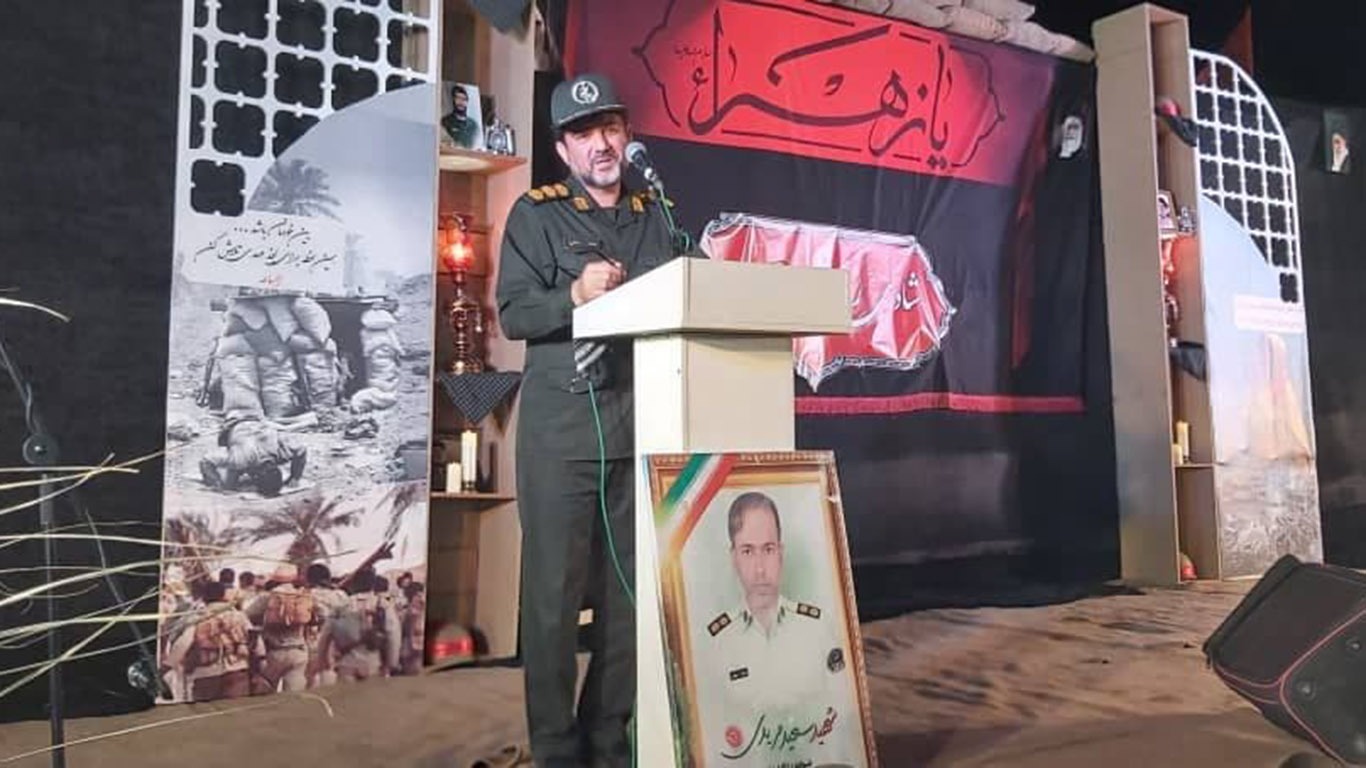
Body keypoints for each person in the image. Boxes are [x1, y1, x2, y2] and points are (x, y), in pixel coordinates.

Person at [495, 72, 691, 768]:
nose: (601, 144)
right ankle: (555, 749)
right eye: (583, 134)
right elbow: (514, 313)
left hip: (644, 428)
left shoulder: (655, 213)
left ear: (627, 133)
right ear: (563, 149)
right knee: (552, 601)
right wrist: (574, 294)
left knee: (629, 600)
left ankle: (609, 741)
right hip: (563, 437)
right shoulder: (536, 215)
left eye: (610, 127)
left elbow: (691, 287)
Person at [702, 492, 861, 766]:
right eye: (748, 551)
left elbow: (844, 720)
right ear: (734, 558)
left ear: (781, 553)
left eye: (768, 549)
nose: (760, 569)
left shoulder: (818, 628)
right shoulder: (715, 642)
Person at [442, 84, 479, 148]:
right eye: (458, 98)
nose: (461, 102)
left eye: (464, 99)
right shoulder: (446, 121)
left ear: (467, 102)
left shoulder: (473, 125)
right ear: (453, 100)